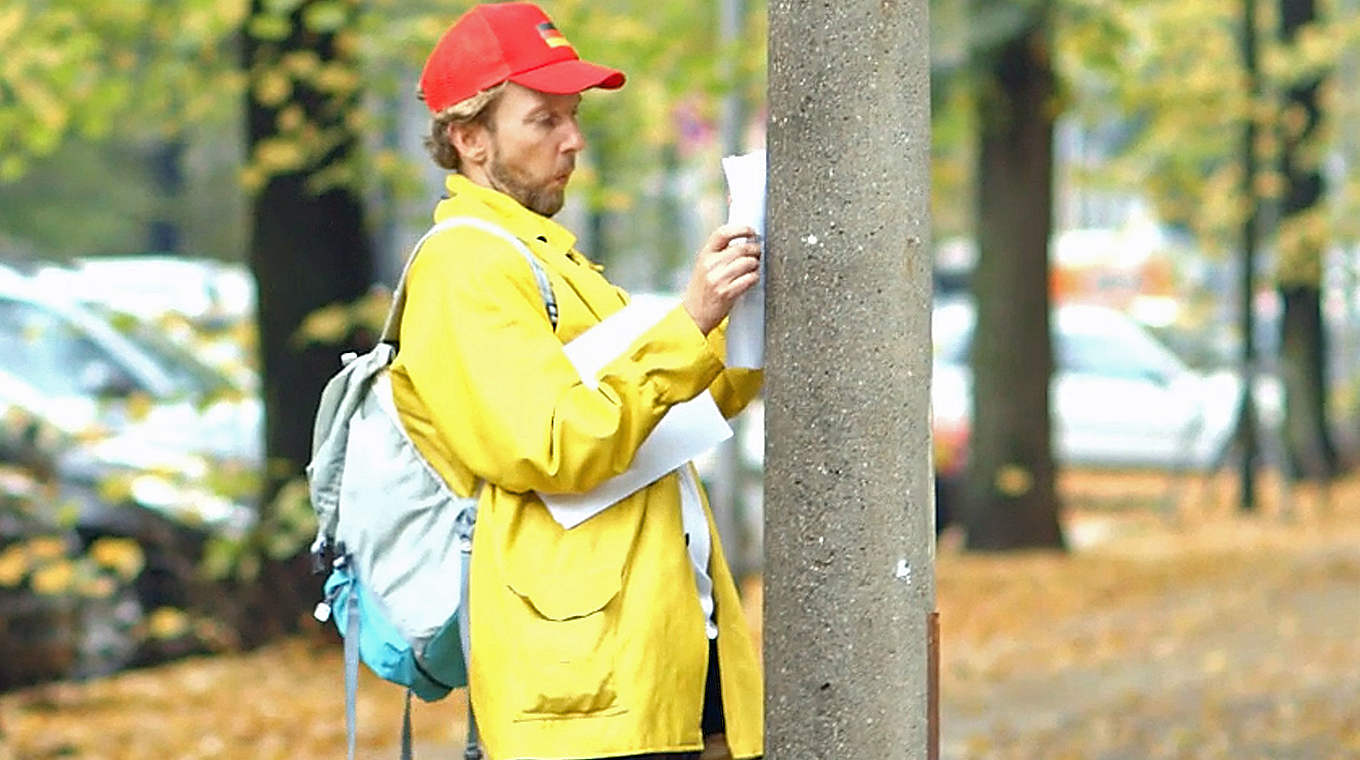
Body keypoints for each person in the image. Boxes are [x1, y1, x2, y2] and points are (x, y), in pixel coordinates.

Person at [388, 4, 765, 759]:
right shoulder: (465, 265)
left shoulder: (545, 257)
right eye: (543, 120)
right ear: (469, 138)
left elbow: (662, 411)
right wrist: (689, 326)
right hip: (587, 689)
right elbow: (554, 444)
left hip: (657, 656)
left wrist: (741, 322)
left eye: (574, 115)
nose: (574, 140)